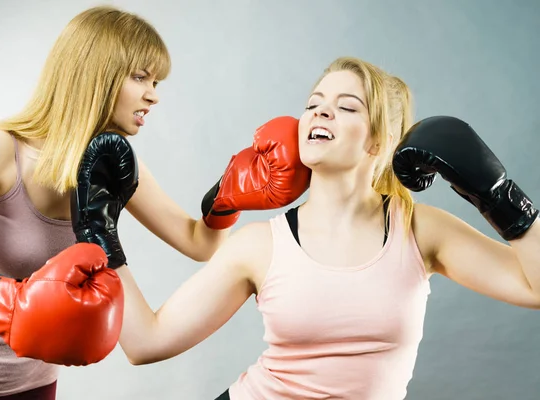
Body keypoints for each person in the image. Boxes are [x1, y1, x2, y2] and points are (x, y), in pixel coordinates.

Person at [83, 56, 540, 400]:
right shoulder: (261, 245)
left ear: (378, 139)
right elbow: (145, 343)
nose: (320, 113)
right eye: (313, 105)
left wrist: (500, 194)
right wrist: (99, 234)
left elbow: (534, 287)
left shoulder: (419, 230)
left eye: (346, 107)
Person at [0, 5, 310, 399]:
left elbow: (200, 244)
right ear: (95, 74)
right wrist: (5, 302)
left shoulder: (110, 163)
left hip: (33, 386)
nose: (154, 96)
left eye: (157, 82)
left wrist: (226, 199)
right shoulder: (1, 148)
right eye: (141, 77)